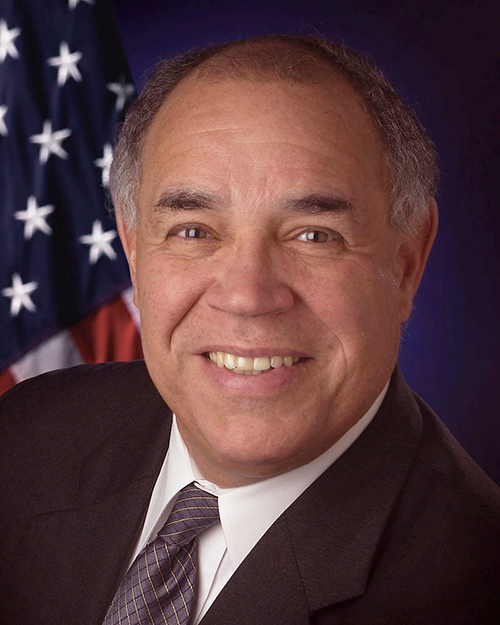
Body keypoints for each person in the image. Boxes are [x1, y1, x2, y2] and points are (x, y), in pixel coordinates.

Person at [1, 34, 499, 624]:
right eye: (192, 231)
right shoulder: (27, 435)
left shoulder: (474, 586)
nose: (246, 296)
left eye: (313, 235)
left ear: (407, 263)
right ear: (133, 250)